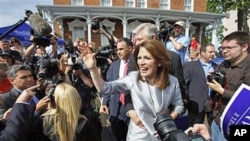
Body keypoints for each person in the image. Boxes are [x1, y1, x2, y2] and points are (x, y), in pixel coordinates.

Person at [80, 39, 184, 141]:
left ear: (159, 61)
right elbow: (105, 88)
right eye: (139, 58)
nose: (141, 63)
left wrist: (166, 122)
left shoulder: (172, 81)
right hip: (138, 136)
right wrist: (92, 69)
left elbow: (179, 105)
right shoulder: (133, 78)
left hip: (163, 135)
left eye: (147, 58)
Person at [127, 23, 188, 131]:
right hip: (139, 122)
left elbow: (181, 89)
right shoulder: (134, 58)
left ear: (153, 38)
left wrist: (170, 117)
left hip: (164, 122)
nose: (136, 43)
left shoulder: (173, 58)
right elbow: (128, 88)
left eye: (140, 39)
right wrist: (131, 112)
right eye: (135, 40)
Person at [207, 31, 250, 141]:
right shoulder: (224, 64)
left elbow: (247, 100)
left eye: (229, 48)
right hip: (217, 119)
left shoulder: (247, 67)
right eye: (222, 48)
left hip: (237, 123)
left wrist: (222, 91)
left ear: (244, 47)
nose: (225, 51)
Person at [100, 37, 136, 141]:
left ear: (130, 49)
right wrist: (104, 103)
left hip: (132, 108)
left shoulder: (137, 65)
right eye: (117, 49)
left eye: (121, 49)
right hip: (115, 109)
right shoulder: (113, 66)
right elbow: (107, 84)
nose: (118, 52)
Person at [183, 44, 217, 127]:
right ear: (202, 53)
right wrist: (187, 100)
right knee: (193, 130)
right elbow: (184, 84)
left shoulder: (217, 67)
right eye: (210, 52)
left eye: (214, 52)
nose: (213, 54)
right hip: (195, 104)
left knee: (211, 130)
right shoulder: (190, 66)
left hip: (212, 105)